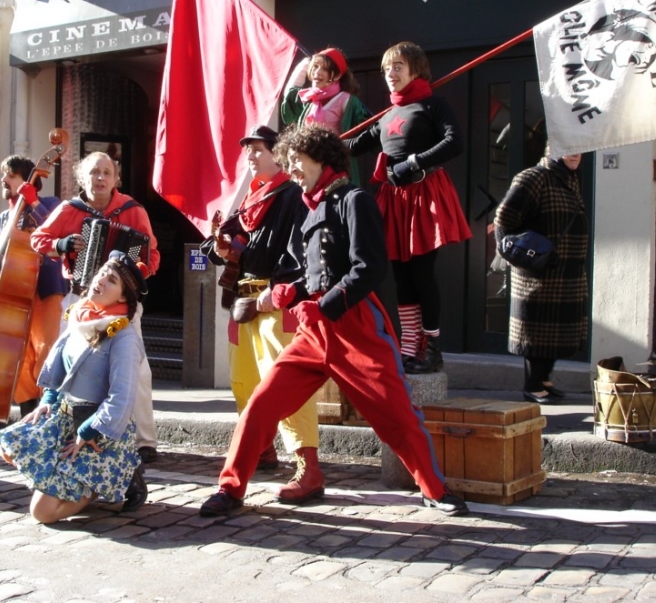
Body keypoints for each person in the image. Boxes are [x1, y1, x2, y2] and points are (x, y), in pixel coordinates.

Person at [199, 124, 467, 518]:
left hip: (356, 327)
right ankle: (231, 488)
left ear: (321, 158)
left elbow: (369, 269)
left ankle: (433, 488)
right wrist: (289, 293)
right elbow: (310, 276)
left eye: (296, 160)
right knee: (261, 405)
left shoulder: (353, 199)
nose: (291, 168)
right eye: (287, 161)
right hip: (313, 331)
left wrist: (324, 305)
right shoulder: (308, 210)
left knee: (396, 416)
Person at [200, 125, 324, 503]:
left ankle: (309, 466)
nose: (251, 157)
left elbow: (295, 254)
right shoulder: (250, 201)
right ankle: (262, 450)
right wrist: (222, 248)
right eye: (248, 150)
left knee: (285, 389)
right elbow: (214, 246)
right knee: (243, 385)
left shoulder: (292, 196)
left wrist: (243, 254)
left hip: (275, 301)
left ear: (277, 154)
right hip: (242, 302)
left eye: (258, 150)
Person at [0, 250, 150, 524]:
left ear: (123, 297)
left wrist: (87, 431)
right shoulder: (81, 316)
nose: (101, 279)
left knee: (42, 514)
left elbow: (121, 399)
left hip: (97, 431)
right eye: (102, 272)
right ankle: (80, 481)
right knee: (10, 447)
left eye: (112, 280)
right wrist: (48, 401)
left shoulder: (124, 337)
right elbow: (59, 371)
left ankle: (119, 474)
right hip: (64, 417)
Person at [346, 41, 472, 374]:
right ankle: (409, 345)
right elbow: (355, 145)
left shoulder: (433, 105)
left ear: (416, 69)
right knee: (401, 278)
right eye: (387, 68)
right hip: (395, 199)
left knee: (422, 274)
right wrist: (315, 140)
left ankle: (431, 348)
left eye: (398, 67)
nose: (390, 74)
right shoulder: (388, 115)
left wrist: (415, 162)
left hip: (424, 194)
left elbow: (454, 141)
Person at [32, 152, 161, 463]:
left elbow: (152, 257)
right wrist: (60, 246)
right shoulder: (69, 210)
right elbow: (38, 239)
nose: (100, 178)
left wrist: (131, 275)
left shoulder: (133, 211)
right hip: (80, 299)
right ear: (82, 178)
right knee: (70, 365)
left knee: (136, 371)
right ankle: (65, 428)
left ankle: (144, 441)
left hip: (120, 305)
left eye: (106, 173)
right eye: (94, 172)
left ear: (116, 179)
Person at [494, 150, 588, 404]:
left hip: (564, 273)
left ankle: (544, 380)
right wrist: (517, 256)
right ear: (551, 149)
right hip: (538, 273)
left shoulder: (567, 179)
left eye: (579, 150)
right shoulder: (534, 177)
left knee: (556, 333)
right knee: (537, 334)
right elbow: (504, 220)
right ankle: (533, 384)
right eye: (567, 149)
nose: (574, 155)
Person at [0, 155, 68, 417]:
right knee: (17, 352)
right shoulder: (2, 219)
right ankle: (26, 409)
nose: (4, 180)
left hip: (45, 286)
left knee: (46, 347)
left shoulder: (50, 204)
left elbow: (60, 232)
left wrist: (33, 202)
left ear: (27, 179)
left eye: (9, 175)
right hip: (13, 291)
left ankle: (48, 407)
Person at [281, 47, 371, 183]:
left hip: (334, 171)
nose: (317, 72)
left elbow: (367, 133)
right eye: (315, 66)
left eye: (324, 68)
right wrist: (303, 66)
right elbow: (289, 98)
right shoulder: (309, 99)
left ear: (337, 75)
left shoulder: (346, 100)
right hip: (307, 168)